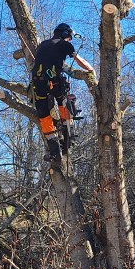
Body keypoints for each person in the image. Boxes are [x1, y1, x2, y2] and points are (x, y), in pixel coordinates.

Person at [31, 23, 94, 164]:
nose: (69, 40)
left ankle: (54, 149)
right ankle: (68, 137)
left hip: (37, 82)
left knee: (44, 115)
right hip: (54, 81)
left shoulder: (43, 44)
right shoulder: (64, 44)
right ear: (65, 34)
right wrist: (92, 71)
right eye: (69, 37)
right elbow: (80, 61)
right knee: (64, 104)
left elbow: (47, 61)